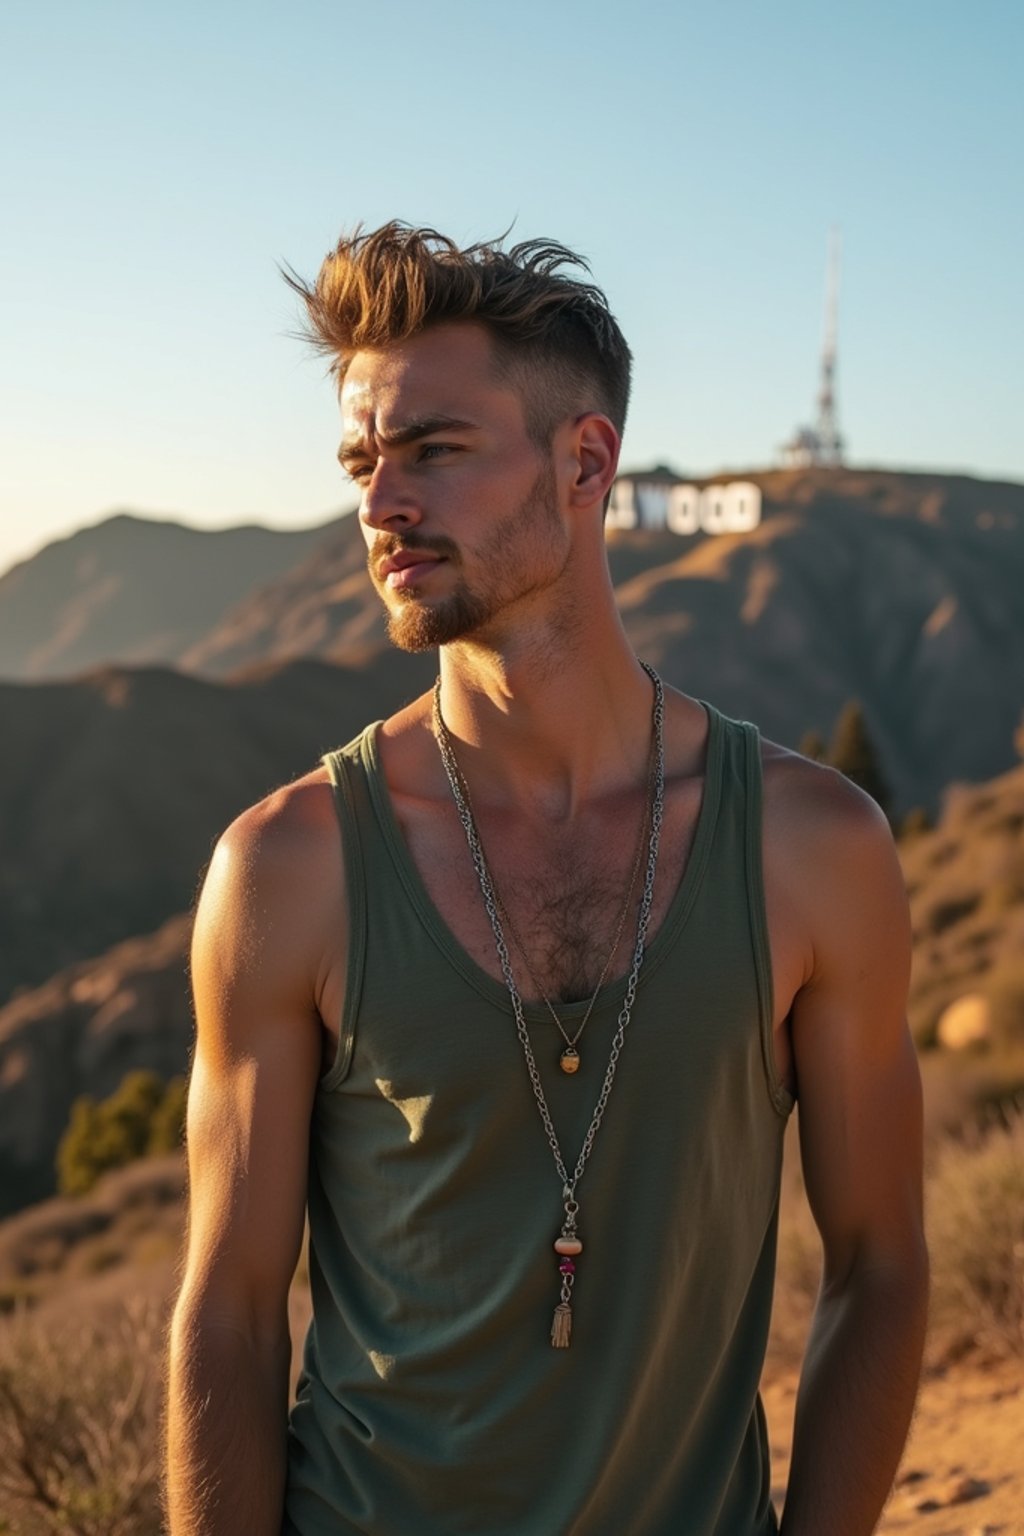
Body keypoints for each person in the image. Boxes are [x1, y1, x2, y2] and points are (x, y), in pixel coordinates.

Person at [165, 223, 928, 1536]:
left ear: (586, 461)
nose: (379, 503)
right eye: (363, 460)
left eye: (433, 452)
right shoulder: (288, 868)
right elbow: (227, 1314)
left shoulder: (813, 852)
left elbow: (883, 1265)